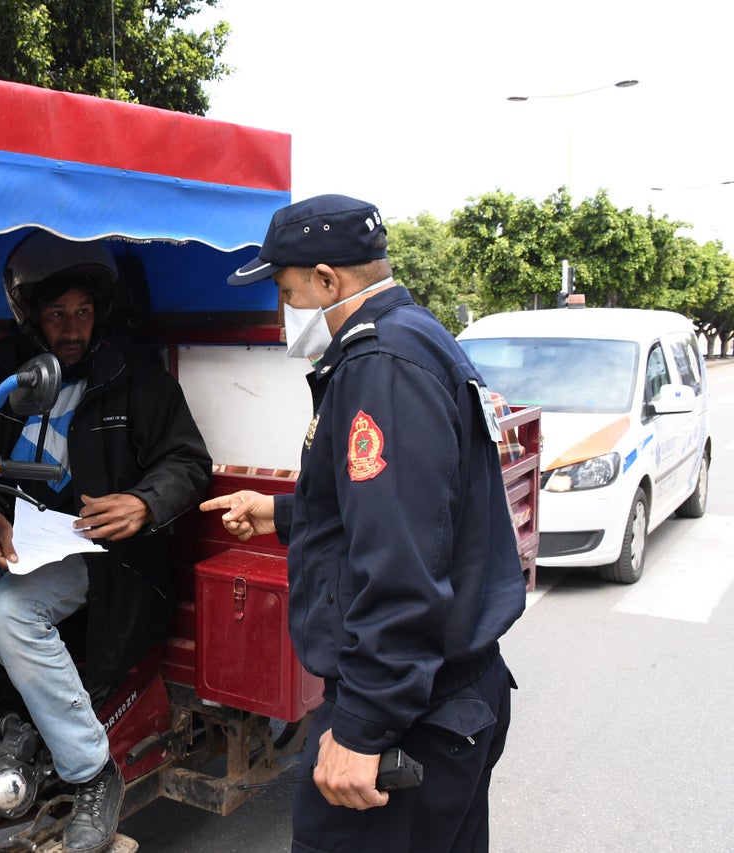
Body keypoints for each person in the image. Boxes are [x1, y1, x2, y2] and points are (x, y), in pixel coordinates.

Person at [201, 194, 526, 852]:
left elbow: (402, 568)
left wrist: (361, 728)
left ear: (328, 279)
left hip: (413, 711)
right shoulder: (415, 336)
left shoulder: (381, 367)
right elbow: (405, 511)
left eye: (288, 293)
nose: (286, 311)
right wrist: (281, 511)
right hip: (449, 695)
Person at [0, 230, 211, 853]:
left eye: (82, 313)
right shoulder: (3, 371)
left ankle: (91, 773)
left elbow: (188, 461)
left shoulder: (132, 375)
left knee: (10, 613)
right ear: (31, 315)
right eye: (57, 314)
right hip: (18, 541)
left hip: (107, 552)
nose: (71, 328)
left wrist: (142, 503)